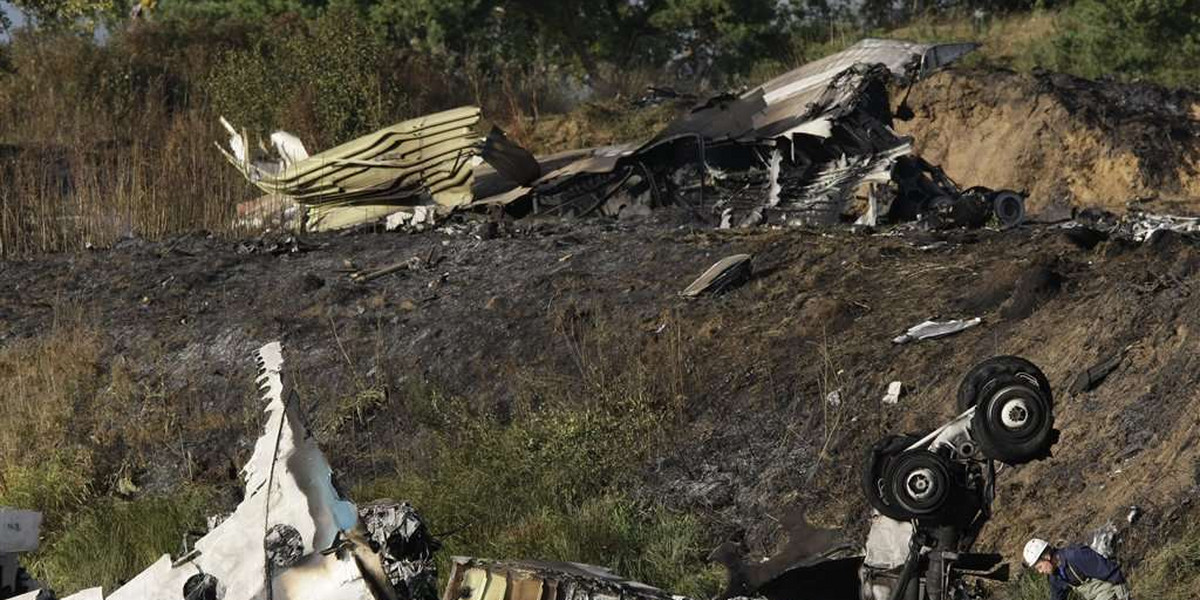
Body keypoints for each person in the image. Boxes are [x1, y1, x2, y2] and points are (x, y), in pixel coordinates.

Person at [1023, 538, 1132, 600]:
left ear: (1047, 557)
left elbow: (1111, 572)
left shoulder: (1075, 555)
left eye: (1040, 567)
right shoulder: (1055, 576)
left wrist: (1123, 595)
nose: (1040, 572)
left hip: (1111, 591)